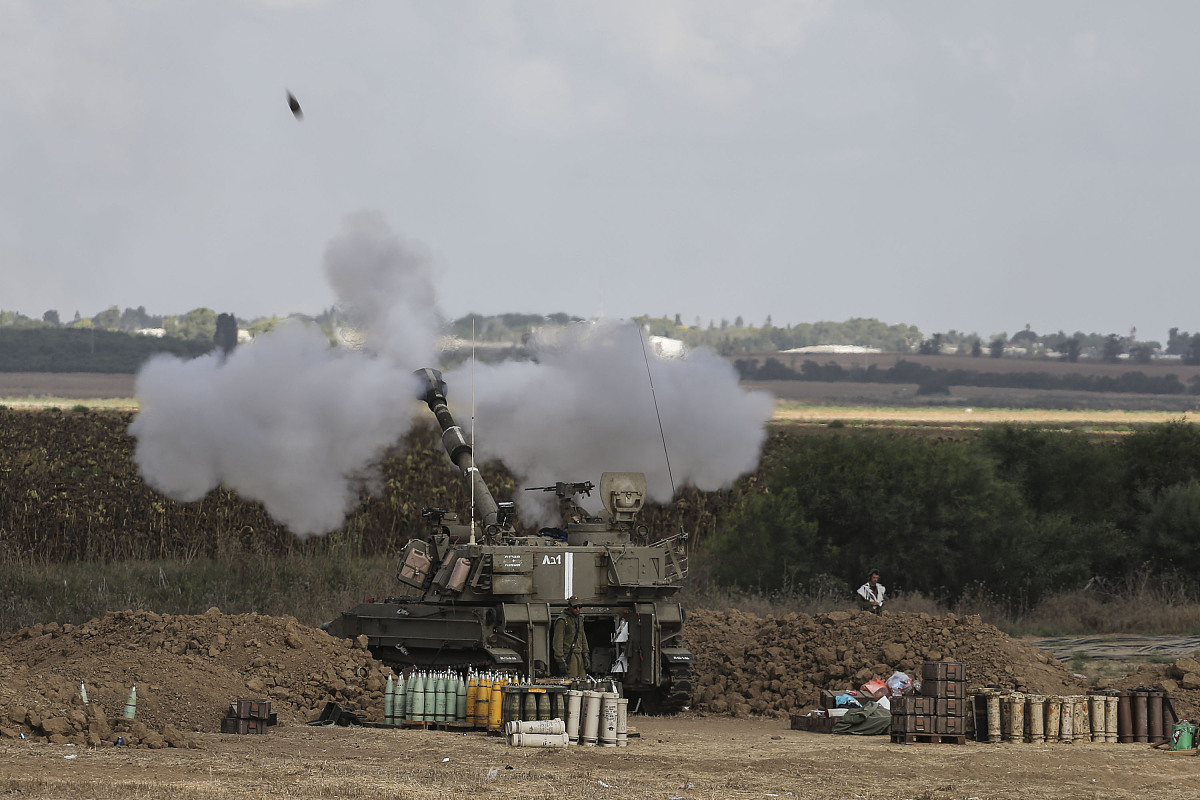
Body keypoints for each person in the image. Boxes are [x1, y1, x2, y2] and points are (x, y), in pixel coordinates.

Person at [552, 596, 590, 677]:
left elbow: (583, 636)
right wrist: (560, 659)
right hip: (569, 655)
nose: (577, 609)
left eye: (579, 607)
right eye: (575, 607)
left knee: (583, 680)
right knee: (572, 680)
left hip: (579, 654)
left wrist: (586, 654)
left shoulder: (579, 619)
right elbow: (558, 640)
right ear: (569, 606)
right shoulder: (562, 620)